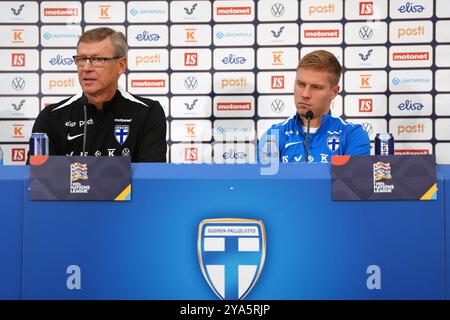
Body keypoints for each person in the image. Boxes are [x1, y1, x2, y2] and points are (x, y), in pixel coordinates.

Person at [29, 27, 166, 162]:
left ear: (121, 65)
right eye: (82, 59)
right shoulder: (51, 116)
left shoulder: (147, 113)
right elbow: (39, 179)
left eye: (98, 59)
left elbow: (151, 179)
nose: (87, 68)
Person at [259, 50, 370, 163]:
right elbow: (265, 179)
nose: (305, 94)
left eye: (316, 87)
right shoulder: (273, 136)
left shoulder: (352, 136)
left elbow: (351, 180)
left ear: (334, 92)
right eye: (301, 84)